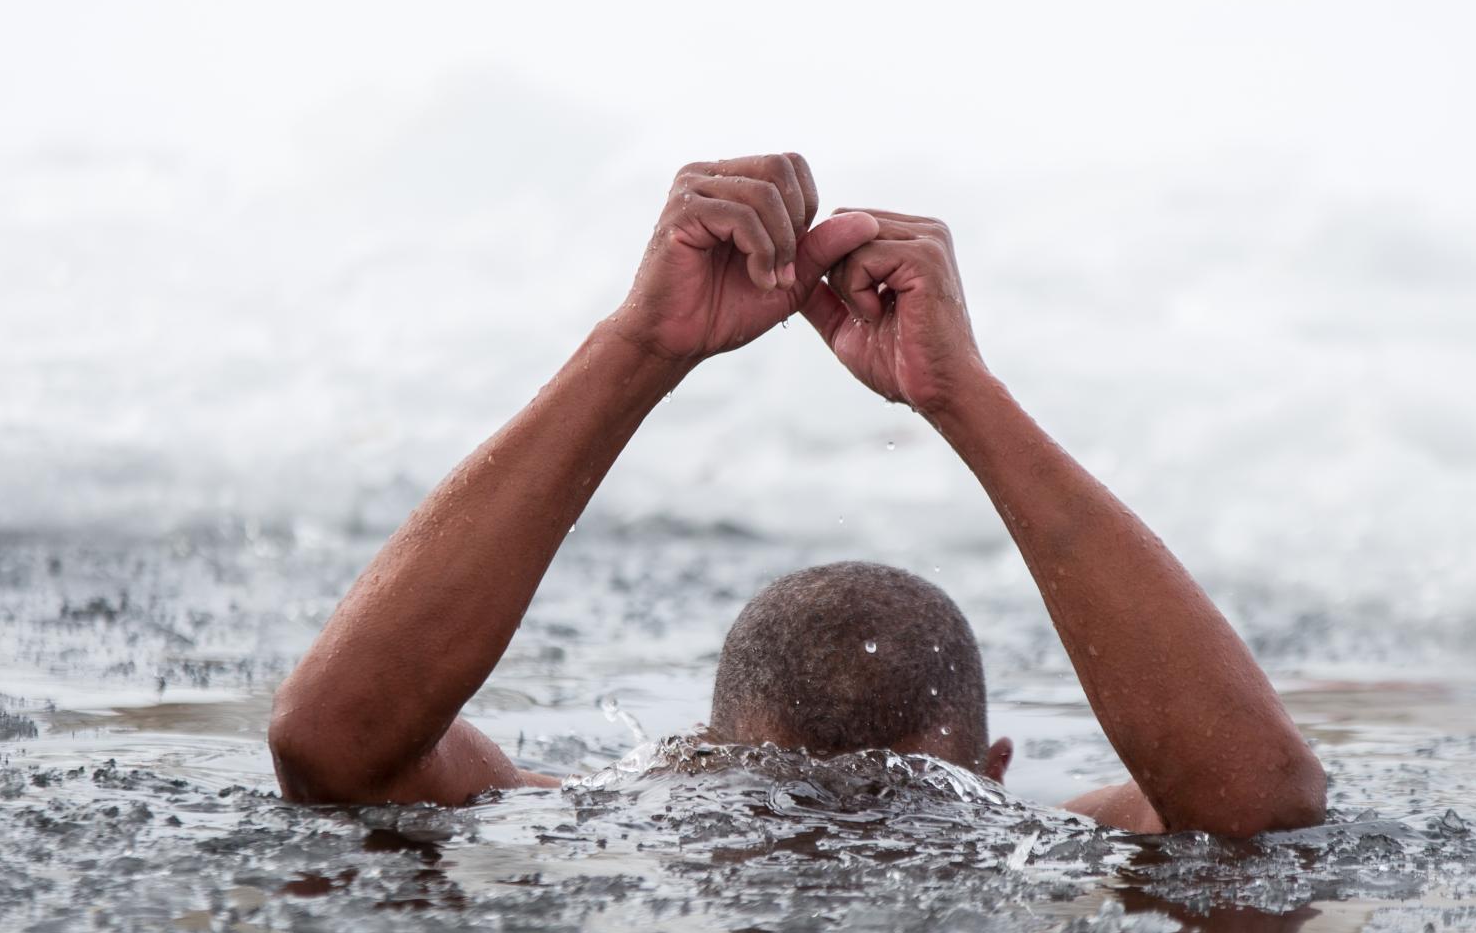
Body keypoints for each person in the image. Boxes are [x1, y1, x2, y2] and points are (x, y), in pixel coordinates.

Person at [267, 153, 1326, 836]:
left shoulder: (609, 816)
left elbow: (332, 746)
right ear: (994, 775)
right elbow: (1255, 808)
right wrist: (963, 399)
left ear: (686, 756)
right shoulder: (1049, 835)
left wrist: (642, 347)